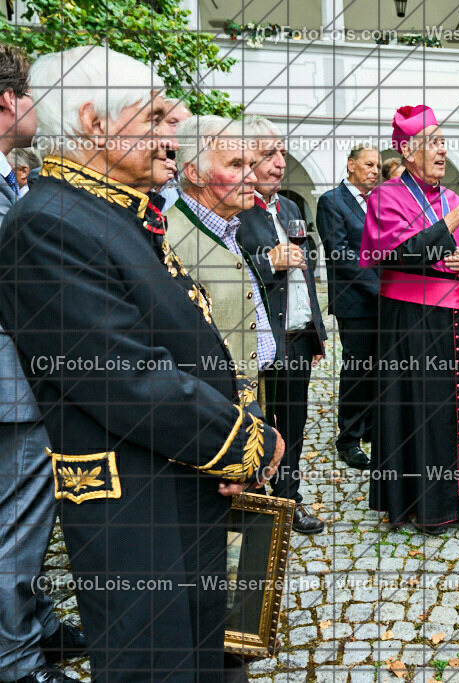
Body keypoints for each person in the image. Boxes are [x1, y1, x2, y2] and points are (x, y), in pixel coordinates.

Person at [0, 45, 283, 681]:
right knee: (158, 657)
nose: (175, 127)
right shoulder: (47, 223)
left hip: (178, 472)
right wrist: (245, 441)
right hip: (133, 497)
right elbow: (126, 377)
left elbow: (188, 340)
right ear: (94, 125)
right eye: (154, 116)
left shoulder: (113, 210)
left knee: (205, 646)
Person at [0, 43, 87, 683]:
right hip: (11, 386)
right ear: (7, 102)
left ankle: (36, 627)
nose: (34, 105)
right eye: (28, 94)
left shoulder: (10, 175)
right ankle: (18, 661)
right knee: (19, 530)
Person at [359, 104, 459, 535]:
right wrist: (458, 217)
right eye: (433, 141)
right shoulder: (386, 196)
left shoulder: (452, 197)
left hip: (454, 318)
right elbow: (398, 254)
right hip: (410, 323)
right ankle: (423, 504)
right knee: (421, 412)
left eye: (442, 140)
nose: (442, 149)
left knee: (457, 409)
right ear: (410, 151)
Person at [238, 116, 328, 534]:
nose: (278, 163)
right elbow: (227, 272)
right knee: (254, 421)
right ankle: (253, 498)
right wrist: (268, 262)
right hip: (258, 340)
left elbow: (305, 275)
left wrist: (315, 331)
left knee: (293, 419)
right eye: (268, 154)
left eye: (281, 154)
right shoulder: (235, 208)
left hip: (295, 336)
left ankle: (289, 498)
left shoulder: (289, 206)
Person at [167, 115, 276, 384]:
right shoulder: (166, 238)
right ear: (195, 174)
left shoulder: (227, 228)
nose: (251, 177)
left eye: (251, 164)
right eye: (236, 165)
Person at [318, 143, 381, 470]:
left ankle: (370, 426)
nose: (375, 171)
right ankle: (349, 438)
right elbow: (341, 254)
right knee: (358, 369)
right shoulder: (332, 201)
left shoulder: (379, 202)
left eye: (378, 167)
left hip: (384, 300)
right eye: (369, 164)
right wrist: (380, 287)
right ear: (351, 165)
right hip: (356, 302)